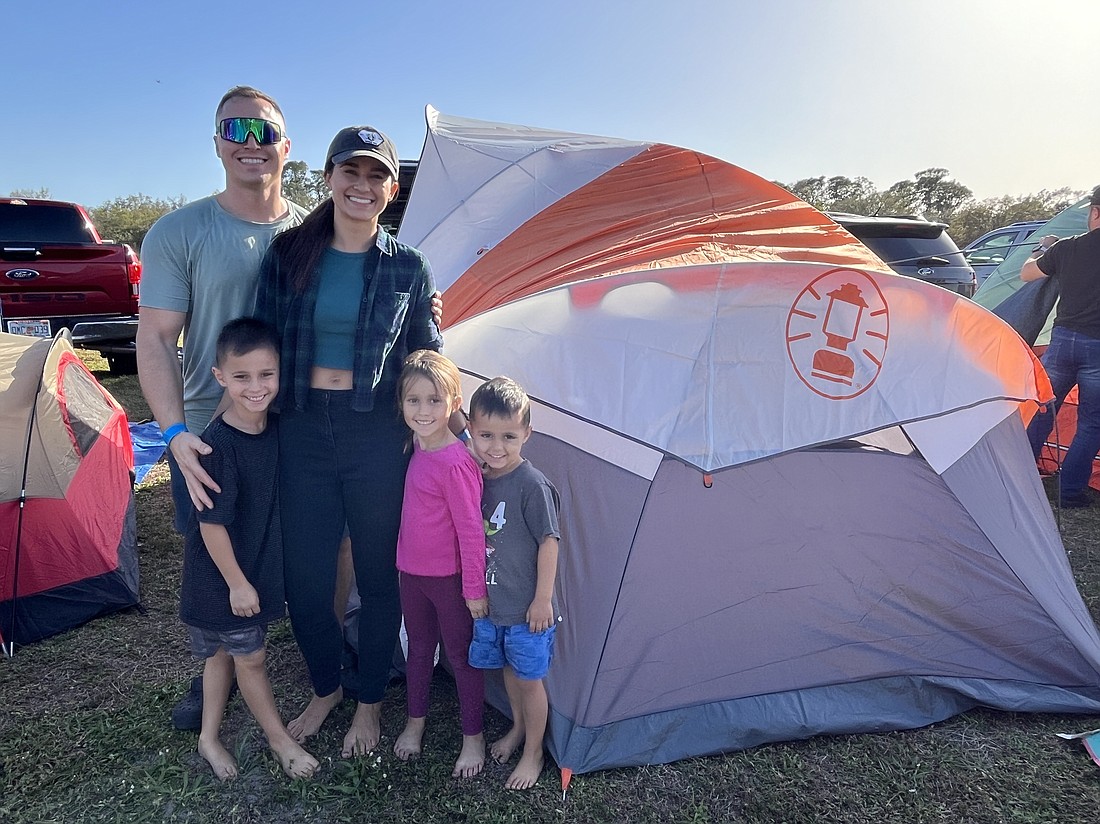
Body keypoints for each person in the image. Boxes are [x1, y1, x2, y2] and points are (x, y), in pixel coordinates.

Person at [256, 125, 447, 758]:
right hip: (303, 427)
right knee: (307, 579)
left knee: (375, 573)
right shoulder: (289, 254)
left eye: (376, 176)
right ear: (330, 178)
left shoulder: (407, 265)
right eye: (350, 172)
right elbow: (261, 342)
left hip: (375, 432)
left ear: (391, 189)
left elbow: (425, 350)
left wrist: (443, 423)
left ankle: (368, 700)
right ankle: (324, 685)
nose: (361, 186)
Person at [179, 317, 318, 781]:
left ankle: (207, 737)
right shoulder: (218, 445)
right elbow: (210, 525)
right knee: (251, 658)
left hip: (252, 564)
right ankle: (280, 741)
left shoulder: (277, 428)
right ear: (220, 378)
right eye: (241, 377)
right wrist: (237, 584)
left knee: (221, 655)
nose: (256, 387)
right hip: (222, 574)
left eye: (266, 375)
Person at [392, 350, 488, 777]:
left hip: (449, 580)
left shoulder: (456, 463)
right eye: (414, 401)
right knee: (418, 649)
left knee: (461, 654)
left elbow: (471, 531)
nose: (424, 410)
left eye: (434, 401)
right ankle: (416, 721)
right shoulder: (417, 443)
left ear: (453, 402)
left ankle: (473, 736)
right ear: (402, 404)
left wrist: (473, 589)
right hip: (411, 574)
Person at [466, 377, 561, 790]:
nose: (496, 446)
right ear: (471, 430)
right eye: (486, 435)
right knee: (508, 670)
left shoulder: (531, 485)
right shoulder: (477, 476)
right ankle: (518, 728)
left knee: (528, 678)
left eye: (508, 436)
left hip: (527, 611)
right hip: (493, 604)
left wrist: (543, 600)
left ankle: (534, 751)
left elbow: (549, 542)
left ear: (526, 433)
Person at [1022, 184, 1100, 509]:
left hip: (1063, 341)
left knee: (1044, 409)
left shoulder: (1067, 248)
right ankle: (1069, 493)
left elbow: (1027, 274)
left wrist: (1043, 249)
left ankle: (1018, 478)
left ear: (1094, 212)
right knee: (1092, 422)